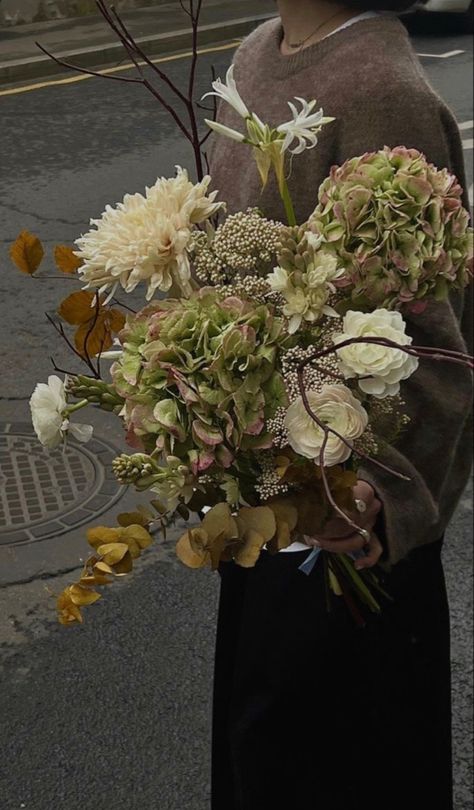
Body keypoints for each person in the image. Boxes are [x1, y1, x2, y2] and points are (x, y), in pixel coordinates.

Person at [208, 2, 473, 809]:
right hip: (265, 494)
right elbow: (217, 249)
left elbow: (431, 344)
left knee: (338, 767)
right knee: (260, 750)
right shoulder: (258, 50)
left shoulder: (383, 92)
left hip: (344, 529)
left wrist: (379, 494)